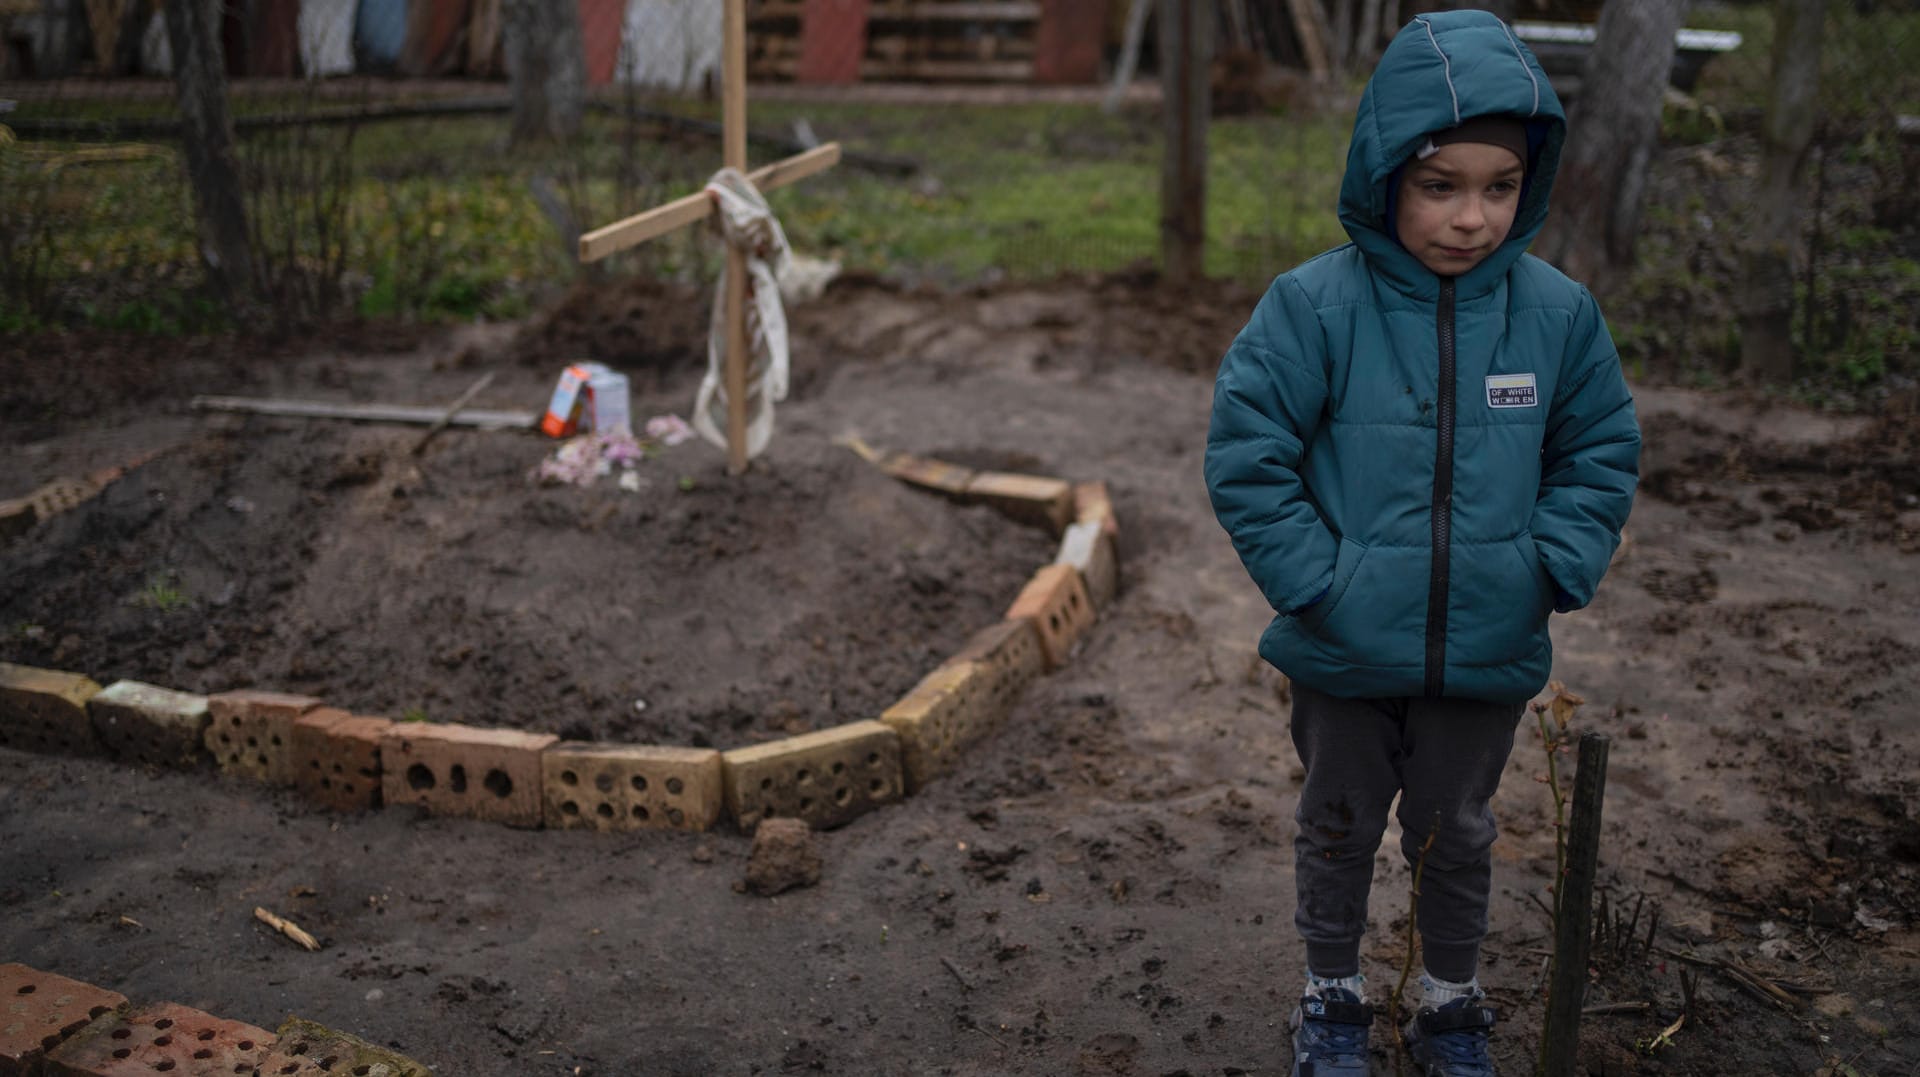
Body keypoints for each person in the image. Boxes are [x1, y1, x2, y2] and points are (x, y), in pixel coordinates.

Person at [1203, 9, 1640, 1077]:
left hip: (1486, 652)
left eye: (1499, 187)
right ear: (1383, 172)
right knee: (1339, 825)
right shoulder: (1313, 308)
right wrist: (1320, 584)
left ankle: (1450, 1003)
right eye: (1440, 184)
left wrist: (1545, 569)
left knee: (1460, 833)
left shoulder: (1559, 316)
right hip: (1344, 650)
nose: (1471, 218)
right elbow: (1246, 453)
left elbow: (1600, 453)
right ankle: (1335, 1000)